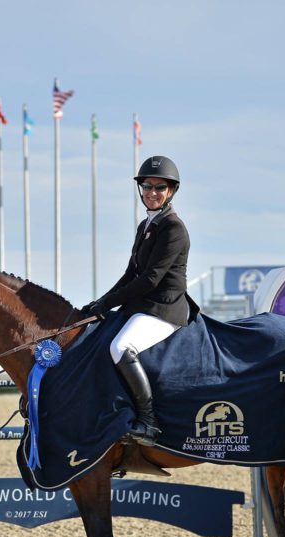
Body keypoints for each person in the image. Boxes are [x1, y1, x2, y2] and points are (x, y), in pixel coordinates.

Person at [81, 155, 194, 446]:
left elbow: (150, 280)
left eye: (160, 187)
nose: (152, 192)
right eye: (147, 186)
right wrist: (101, 302)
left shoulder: (173, 228)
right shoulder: (147, 225)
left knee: (121, 346)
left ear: (171, 191)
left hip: (164, 309)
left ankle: (148, 422)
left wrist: (109, 304)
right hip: (143, 305)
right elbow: (131, 273)